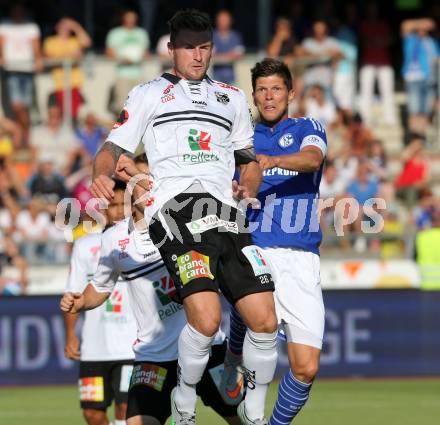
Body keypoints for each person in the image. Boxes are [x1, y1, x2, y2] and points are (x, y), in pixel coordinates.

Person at [91, 9, 278, 425]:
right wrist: (101, 173)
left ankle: (255, 408)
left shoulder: (232, 98)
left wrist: (249, 182)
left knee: (265, 320)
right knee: (207, 320)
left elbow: (247, 160)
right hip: (174, 212)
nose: (198, 55)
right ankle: (186, 401)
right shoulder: (147, 94)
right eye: (189, 47)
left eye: (205, 46)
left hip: (225, 214)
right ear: (171, 49)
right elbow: (111, 147)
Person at [62, 154, 242, 425]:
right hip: (154, 356)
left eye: (151, 179)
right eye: (139, 180)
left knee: (242, 416)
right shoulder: (114, 240)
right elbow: (99, 287)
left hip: (206, 348)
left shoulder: (187, 223)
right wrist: (80, 301)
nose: (147, 185)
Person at [225, 58, 327, 424]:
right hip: (257, 248)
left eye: (276, 89)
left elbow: (313, 160)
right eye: (262, 90)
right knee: (259, 323)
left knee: (305, 368)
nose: (269, 97)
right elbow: (243, 185)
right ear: (253, 95)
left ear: (290, 93)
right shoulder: (241, 137)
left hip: (301, 258)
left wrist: (270, 160)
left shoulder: (308, 127)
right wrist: (242, 187)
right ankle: (233, 356)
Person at [63, 178, 137, 425]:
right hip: (94, 348)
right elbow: (74, 292)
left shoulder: (140, 243)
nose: (117, 211)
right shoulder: (85, 246)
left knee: (126, 409)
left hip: (132, 345)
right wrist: (71, 334)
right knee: (92, 414)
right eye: (112, 205)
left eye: (122, 205)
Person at [0, 4, 43, 146]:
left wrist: (38, 60)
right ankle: (25, 134)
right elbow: (1, 43)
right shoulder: (5, 25)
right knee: (18, 106)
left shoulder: (31, 26)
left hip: (27, 70)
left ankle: (22, 137)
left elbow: (35, 45)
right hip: (11, 70)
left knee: (25, 106)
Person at [43, 17, 92, 121]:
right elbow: (49, 56)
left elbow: (87, 42)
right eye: (63, 27)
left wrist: (75, 26)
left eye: (67, 28)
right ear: (57, 28)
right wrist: (70, 54)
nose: (65, 30)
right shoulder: (50, 41)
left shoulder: (74, 41)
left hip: (75, 82)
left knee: (74, 112)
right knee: (63, 111)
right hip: (60, 82)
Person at [358, 2, 396, 126]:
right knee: (366, 91)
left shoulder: (383, 24)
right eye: (370, 9)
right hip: (368, 63)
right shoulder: (364, 25)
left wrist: (376, 42)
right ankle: (365, 118)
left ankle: (390, 119)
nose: (372, 11)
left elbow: (390, 39)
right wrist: (380, 41)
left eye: (374, 9)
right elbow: (366, 42)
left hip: (384, 63)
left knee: (387, 91)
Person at [105, 10, 150, 113]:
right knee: (123, 105)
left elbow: (146, 52)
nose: (131, 21)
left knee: (140, 104)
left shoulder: (141, 33)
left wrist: (140, 57)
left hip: (138, 73)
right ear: (124, 19)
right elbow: (109, 52)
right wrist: (121, 59)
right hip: (122, 74)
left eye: (133, 18)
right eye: (128, 18)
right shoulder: (115, 33)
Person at [401, 18, 440, 134]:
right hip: (413, 78)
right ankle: (414, 137)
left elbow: (437, 58)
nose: (423, 30)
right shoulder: (410, 39)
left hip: (429, 78)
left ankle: (421, 139)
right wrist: (422, 22)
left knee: (425, 111)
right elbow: (405, 26)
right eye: (420, 29)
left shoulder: (431, 42)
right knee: (414, 110)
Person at [212, 10, 244, 85]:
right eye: (221, 20)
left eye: (225, 20)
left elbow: (239, 55)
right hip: (215, 77)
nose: (223, 22)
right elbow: (210, 55)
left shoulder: (236, 36)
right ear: (216, 21)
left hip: (231, 77)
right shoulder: (211, 36)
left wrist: (220, 56)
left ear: (230, 21)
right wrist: (229, 55)